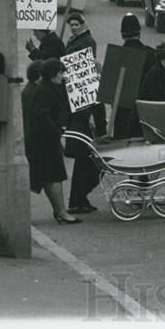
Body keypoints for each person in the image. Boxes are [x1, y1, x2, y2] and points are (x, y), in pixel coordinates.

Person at [25, 58, 79, 224]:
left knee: (50, 177)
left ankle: (60, 210)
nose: (62, 76)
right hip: (45, 140)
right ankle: (61, 211)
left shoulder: (46, 88)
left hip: (42, 139)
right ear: (53, 74)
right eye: (60, 73)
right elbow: (43, 115)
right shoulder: (46, 91)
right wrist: (58, 133)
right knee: (54, 176)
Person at [62, 13, 103, 215]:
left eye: (76, 24)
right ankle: (78, 198)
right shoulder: (78, 41)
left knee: (86, 158)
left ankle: (78, 198)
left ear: (83, 24)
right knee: (87, 158)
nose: (73, 28)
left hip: (81, 102)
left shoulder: (85, 42)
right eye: (71, 25)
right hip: (81, 106)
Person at [115, 13, 156, 140]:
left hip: (123, 109)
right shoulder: (150, 54)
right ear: (139, 32)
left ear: (122, 34)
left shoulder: (117, 55)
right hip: (145, 108)